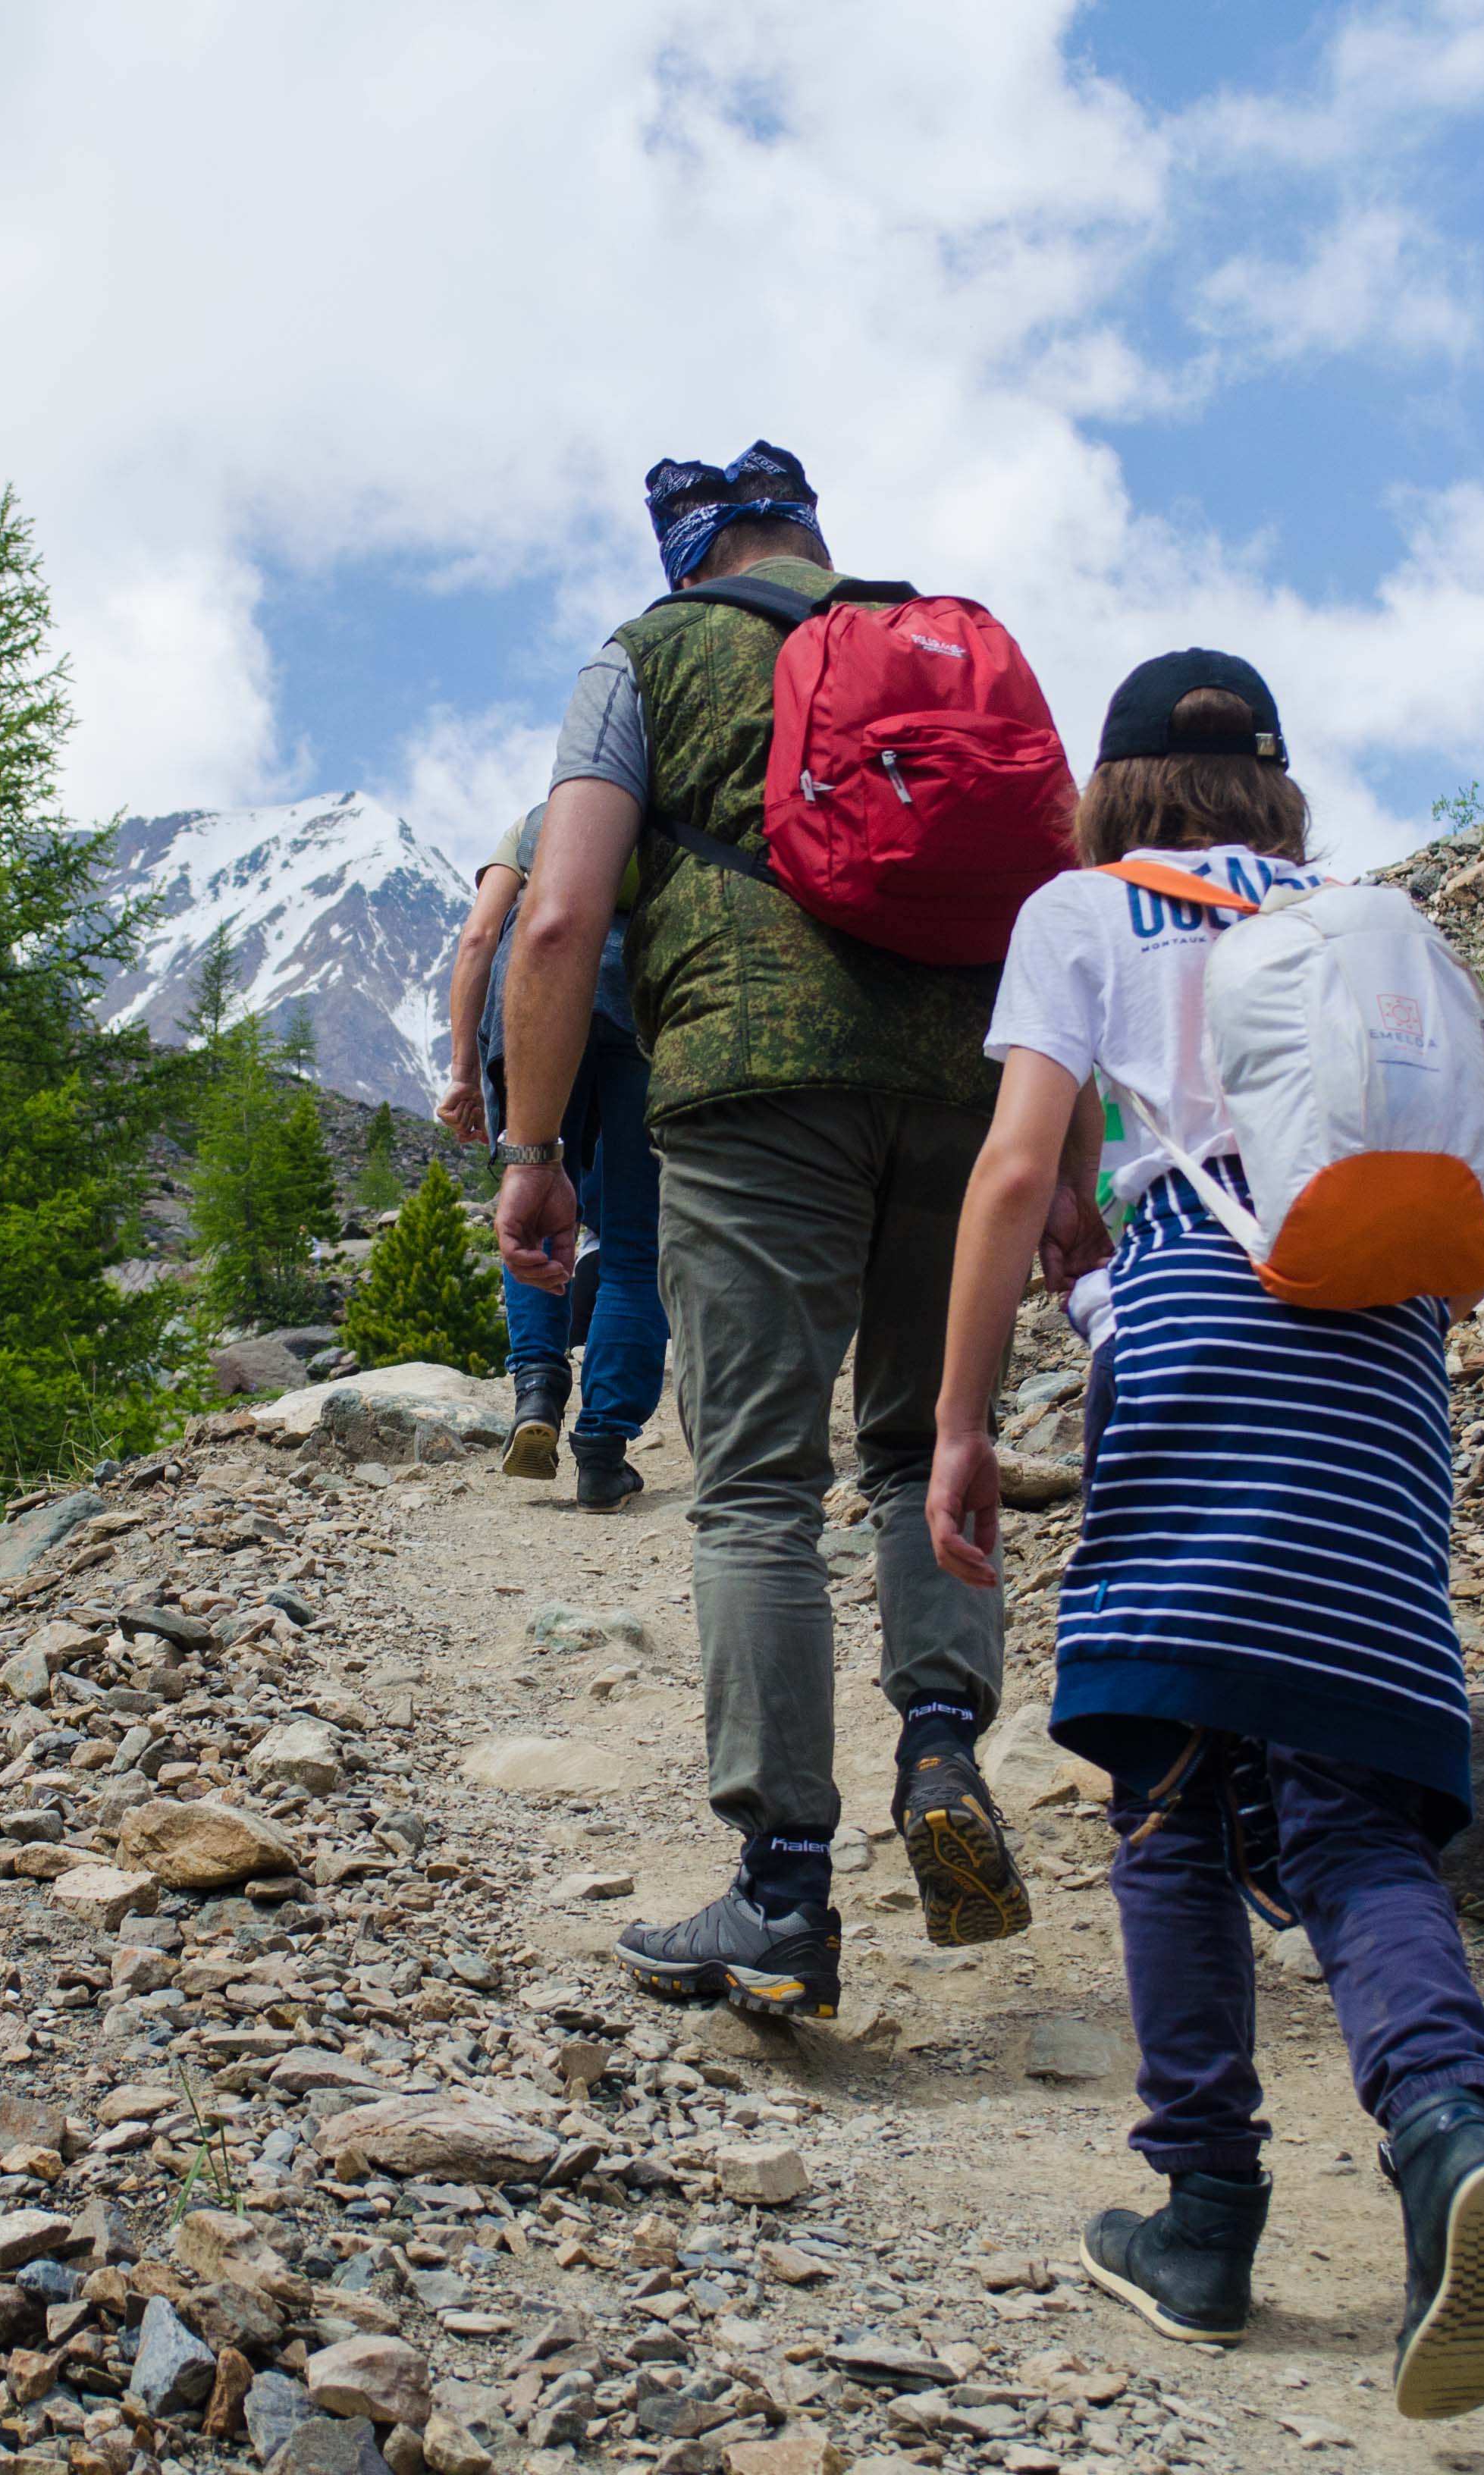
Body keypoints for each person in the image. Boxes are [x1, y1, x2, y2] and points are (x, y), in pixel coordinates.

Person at [922, 651, 1484, 2422]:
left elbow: (1006, 1167)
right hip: (1376, 1371)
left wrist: (962, 1423)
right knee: (1349, 1812)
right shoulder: (1378, 921)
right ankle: (1447, 2139)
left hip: (1198, 1343)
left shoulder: (1082, 912)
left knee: (1177, 1797)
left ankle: (1206, 2218)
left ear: (1115, 787)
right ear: (1276, 786)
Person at [495, 441, 1106, 2020]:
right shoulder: (946, 641)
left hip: (750, 1087)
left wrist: (536, 1150)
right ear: (810, 532)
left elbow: (557, 916)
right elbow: (1058, 904)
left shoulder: (648, 654)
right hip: (972, 1091)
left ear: (683, 549)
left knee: (759, 1483)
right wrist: (1072, 1170)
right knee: (923, 1443)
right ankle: (942, 1745)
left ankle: (780, 1893)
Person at [439, 804, 667, 1507]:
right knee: (634, 1243)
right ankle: (603, 1450)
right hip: (641, 1007)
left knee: (532, 1214)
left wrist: (462, 1072)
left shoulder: (541, 822)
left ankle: (537, 1395)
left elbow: (480, 935)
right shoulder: (667, 822)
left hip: (536, 1002)